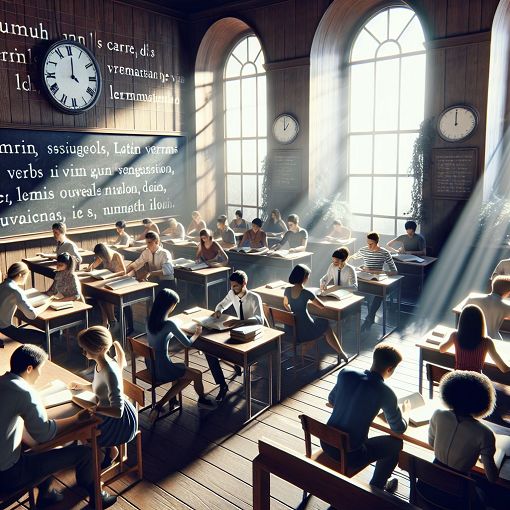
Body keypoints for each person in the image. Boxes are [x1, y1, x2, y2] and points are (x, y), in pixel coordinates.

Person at [0, 344, 117, 509]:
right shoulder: (24, 393)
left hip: (5, 464)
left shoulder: (3, 381)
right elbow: (44, 434)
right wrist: (76, 419)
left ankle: (46, 493)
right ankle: (98, 497)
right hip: (9, 475)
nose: (40, 374)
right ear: (29, 369)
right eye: (40, 369)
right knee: (86, 454)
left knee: (43, 451)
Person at [324, 344, 409, 492]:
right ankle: (376, 487)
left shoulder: (346, 373)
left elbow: (331, 399)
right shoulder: (385, 392)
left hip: (327, 443)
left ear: (374, 359)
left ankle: (377, 486)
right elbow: (398, 428)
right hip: (351, 455)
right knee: (396, 444)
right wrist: (406, 413)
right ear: (390, 369)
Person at [427, 371, 498, 507]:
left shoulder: (438, 415)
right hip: (457, 496)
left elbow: (431, 443)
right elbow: (492, 477)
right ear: (483, 401)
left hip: (428, 485)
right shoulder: (485, 433)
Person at [71, 326, 138, 469]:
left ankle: (98, 458)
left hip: (120, 422)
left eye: (86, 348)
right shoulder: (100, 364)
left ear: (99, 348)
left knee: (79, 431)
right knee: (78, 424)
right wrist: (82, 386)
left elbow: (118, 411)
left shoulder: (109, 371)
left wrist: (95, 409)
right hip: (106, 410)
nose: (83, 352)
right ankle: (109, 450)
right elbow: (99, 388)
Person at [146, 289, 215, 420]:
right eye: (174, 305)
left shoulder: (150, 319)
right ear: (169, 305)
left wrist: (174, 328)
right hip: (163, 368)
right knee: (196, 374)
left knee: (182, 366)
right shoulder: (169, 324)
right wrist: (196, 334)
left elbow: (163, 333)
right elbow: (188, 343)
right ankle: (200, 400)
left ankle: (172, 400)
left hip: (151, 364)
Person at [211, 270, 263, 401]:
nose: (233, 289)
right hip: (239, 330)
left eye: (236, 286)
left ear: (244, 283)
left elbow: (259, 320)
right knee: (210, 351)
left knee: (227, 349)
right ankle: (222, 385)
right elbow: (222, 303)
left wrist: (240, 322)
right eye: (231, 286)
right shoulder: (232, 293)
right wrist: (218, 310)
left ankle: (238, 364)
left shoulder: (254, 297)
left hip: (255, 332)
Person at [284, 264, 348, 360]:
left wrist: (293, 314)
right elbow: (321, 306)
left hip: (292, 331)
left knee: (318, 321)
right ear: (304, 278)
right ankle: (341, 352)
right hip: (306, 332)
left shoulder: (287, 290)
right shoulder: (306, 293)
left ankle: (305, 347)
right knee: (325, 325)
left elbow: (285, 304)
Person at [439, 305, 509, 373]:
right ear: (481, 322)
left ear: (462, 321)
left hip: (458, 379)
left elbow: (442, 349)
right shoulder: (487, 342)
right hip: (476, 381)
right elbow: (504, 368)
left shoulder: (455, 336)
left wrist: (447, 336)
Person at [0, 262, 54, 345]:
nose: (26, 279)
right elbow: (31, 315)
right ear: (20, 275)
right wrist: (47, 303)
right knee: (45, 337)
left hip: (3, 327)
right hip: (5, 330)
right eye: (26, 276)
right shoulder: (15, 290)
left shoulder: (2, 285)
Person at [354, 232, 398, 331]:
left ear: (377, 242)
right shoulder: (363, 250)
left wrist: (376, 271)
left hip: (377, 278)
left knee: (379, 294)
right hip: (364, 277)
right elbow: (352, 259)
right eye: (367, 243)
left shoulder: (384, 252)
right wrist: (359, 267)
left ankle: (369, 318)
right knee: (353, 288)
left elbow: (394, 271)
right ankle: (354, 318)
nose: (369, 246)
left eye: (371, 244)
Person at [85, 244, 126, 327]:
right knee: (100, 296)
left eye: (101, 255)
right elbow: (94, 264)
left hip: (117, 281)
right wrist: (90, 267)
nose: (100, 258)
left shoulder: (116, 255)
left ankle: (112, 320)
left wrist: (111, 275)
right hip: (107, 281)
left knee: (106, 296)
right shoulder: (102, 256)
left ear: (104, 253)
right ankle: (107, 321)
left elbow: (123, 272)